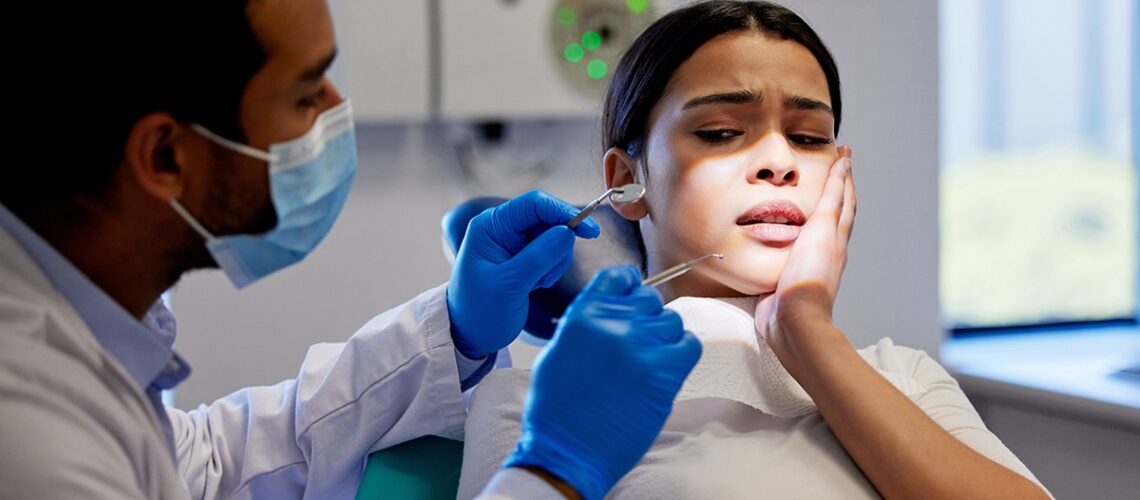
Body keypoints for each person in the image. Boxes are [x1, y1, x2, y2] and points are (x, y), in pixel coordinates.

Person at [0, 1, 700, 499]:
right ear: (164, 156)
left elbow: (202, 465)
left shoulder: (80, 312)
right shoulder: (30, 445)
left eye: (810, 131)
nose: (337, 108)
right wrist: (555, 471)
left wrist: (455, 331)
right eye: (306, 94)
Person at [456, 1, 1052, 498]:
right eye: (720, 132)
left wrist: (809, 336)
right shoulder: (543, 407)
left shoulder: (903, 379)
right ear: (626, 181)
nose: (779, 160)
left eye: (809, 137)